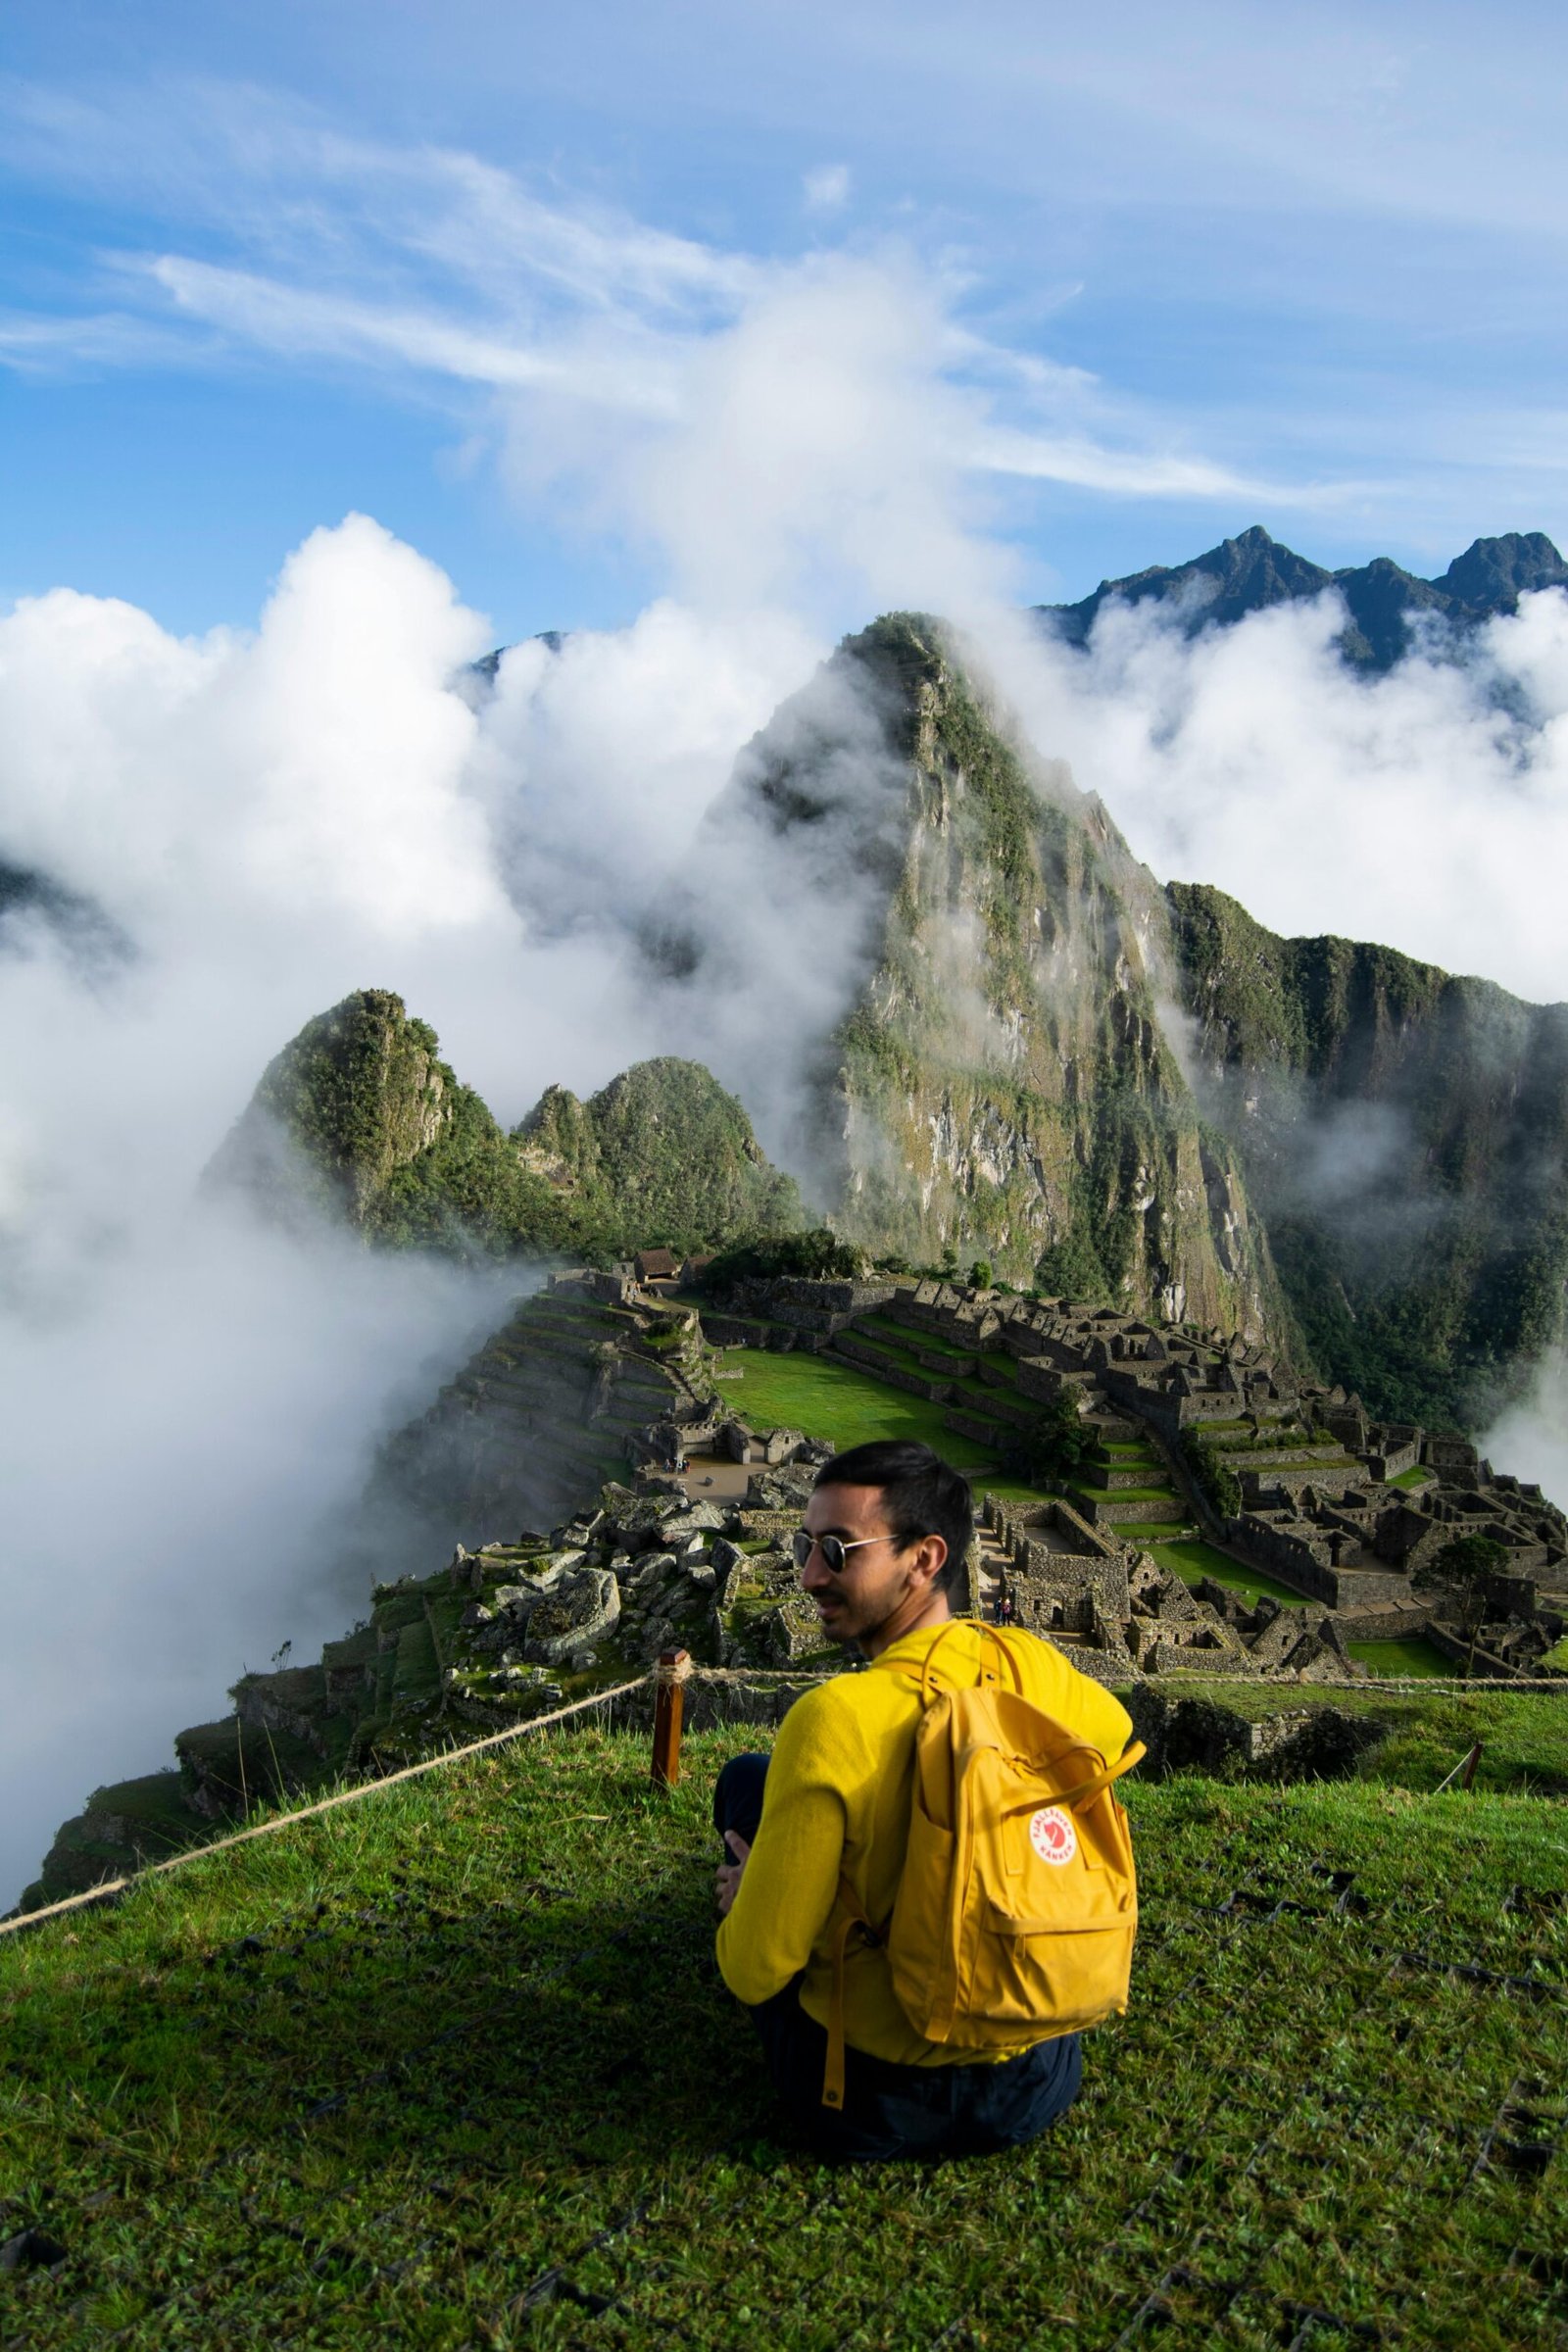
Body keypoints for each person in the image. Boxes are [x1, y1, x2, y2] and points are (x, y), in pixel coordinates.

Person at [713, 1439, 1135, 2163]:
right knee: (758, 1775)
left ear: (925, 1559)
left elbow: (754, 1972)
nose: (811, 1575)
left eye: (840, 1551)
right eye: (806, 1546)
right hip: (1034, 2079)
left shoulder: (834, 1718)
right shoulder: (1026, 1664)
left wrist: (749, 1896)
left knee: (741, 1787)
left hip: (872, 2100)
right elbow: (1116, 1731)